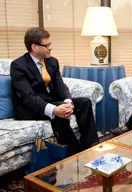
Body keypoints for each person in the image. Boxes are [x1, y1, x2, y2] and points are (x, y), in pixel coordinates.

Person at [10, 27, 99, 155]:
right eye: (47, 45)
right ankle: (75, 153)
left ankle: (90, 145)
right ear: (34, 47)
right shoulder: (18, 66)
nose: (50, 47)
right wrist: (54, 109)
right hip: (29, 108)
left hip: (52, 100)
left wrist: (68, 101)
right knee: (59, 112)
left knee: (84, 102)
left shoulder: (52, 61)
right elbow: (27, 97)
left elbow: (60, 85)